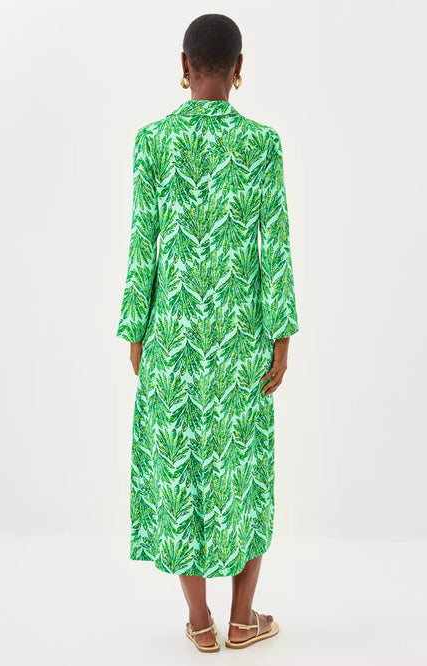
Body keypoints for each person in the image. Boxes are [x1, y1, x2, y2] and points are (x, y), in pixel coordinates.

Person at [115, 13, 299, 653]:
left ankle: (200, 623)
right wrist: (281, 336)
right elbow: (274, 248)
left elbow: (143, 245)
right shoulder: (261, 145)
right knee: (244, 472)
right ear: (239, 68)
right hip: (241, 339)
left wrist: (136, 331)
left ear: (185, 65)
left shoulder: (153, 142)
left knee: (181, 469)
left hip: (170, 338)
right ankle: (243, 619)